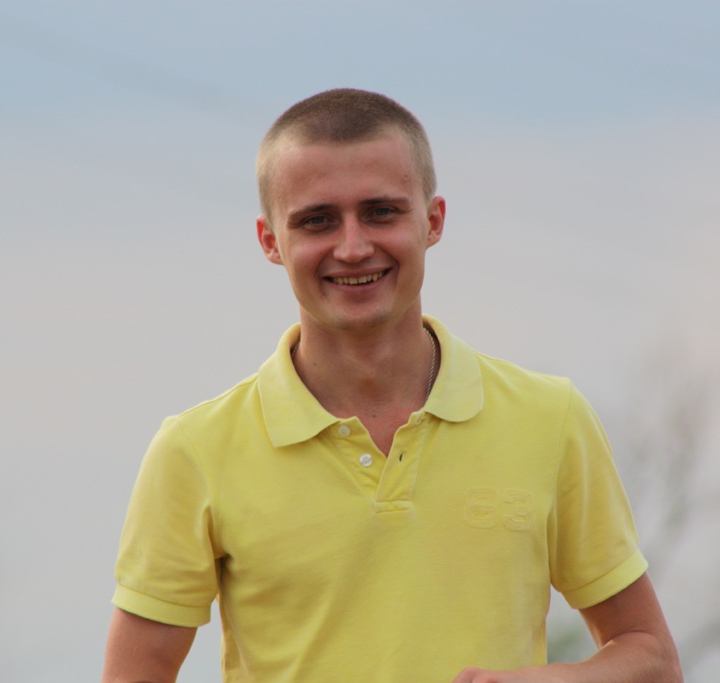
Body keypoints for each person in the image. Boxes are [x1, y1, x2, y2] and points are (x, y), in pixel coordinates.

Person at [102, 88, 682, 683]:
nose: (353, 247)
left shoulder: (550, 419)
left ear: (433, 221)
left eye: (381, 212)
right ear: (270, 239)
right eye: (317, 220)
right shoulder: (194, 450)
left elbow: (653, 657)